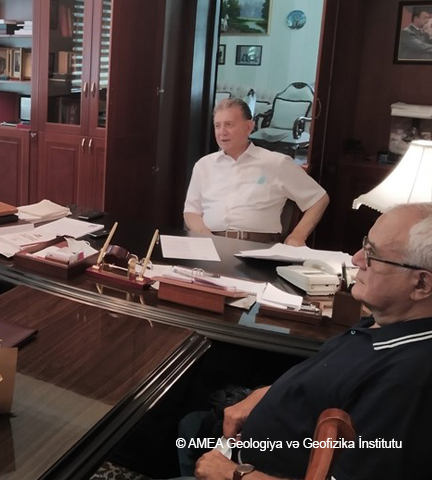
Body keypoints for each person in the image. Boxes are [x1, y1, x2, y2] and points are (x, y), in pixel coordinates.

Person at [182, 203, 432, 480]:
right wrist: (264, 395)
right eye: (364, 245)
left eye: (373, 255)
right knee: (187, 423)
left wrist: (234, 474)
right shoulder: (388, 322)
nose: (356, 259)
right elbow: (333, 384)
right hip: (242, 437)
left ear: (421, 284)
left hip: (241, 468)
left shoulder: (408, 380)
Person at [183, 98, 329, 246]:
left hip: (258, 247)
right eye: (217, 126)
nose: (222, 132)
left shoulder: (276, 163)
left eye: (229, 125)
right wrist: (205, 235)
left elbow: (319, 199)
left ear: (249, 127)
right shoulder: (204, 165)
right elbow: (191, 211)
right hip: (211, 244)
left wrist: (297, 236)